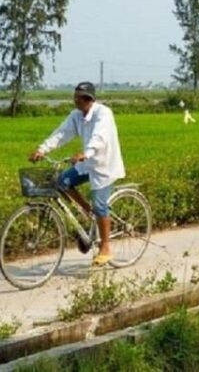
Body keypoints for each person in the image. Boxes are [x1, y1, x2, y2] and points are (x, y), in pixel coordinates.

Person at [29, 82, 125, 267]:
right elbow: (61, 133)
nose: (76, 101)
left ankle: (106, 247)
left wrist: (86, 153)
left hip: (104, 165)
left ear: (89, 99)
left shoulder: (103, 113)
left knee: (100, 204)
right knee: (62, 182)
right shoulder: (76, 116)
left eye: (79, 98)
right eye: (75, 97)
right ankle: (89, 213)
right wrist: (42, 150)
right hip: (86, 164)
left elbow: (99, 137)